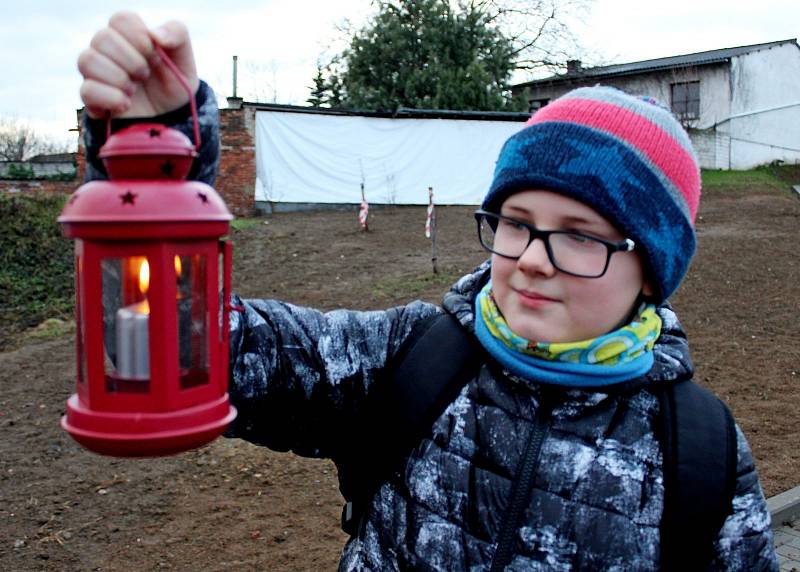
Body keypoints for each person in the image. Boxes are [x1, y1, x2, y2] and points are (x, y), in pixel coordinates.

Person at [79, 12, 778, 570]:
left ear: (652, 271)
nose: (531, 261)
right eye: (516, 223)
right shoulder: (408, 360)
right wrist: (155, 163)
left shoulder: (701, 455)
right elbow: (182, 350)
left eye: (579, 235)